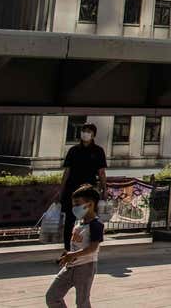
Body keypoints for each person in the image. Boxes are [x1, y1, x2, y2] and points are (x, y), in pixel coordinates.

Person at [47, 184, 104, 307]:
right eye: (74, 204)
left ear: (90, 204)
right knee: (52, 297)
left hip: (85, 268)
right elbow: (76, 243)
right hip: (70, 267)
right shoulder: (78, 222)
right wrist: (67, 254)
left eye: (78, 204)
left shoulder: (96, 225)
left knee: (82, 302)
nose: (75, 208)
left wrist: (73, 254)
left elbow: (93, 248)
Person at [59, 122, 108, 250]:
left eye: (89, 131)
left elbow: (101, 172)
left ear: (93, 135)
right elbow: (67, 172)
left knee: (90, 219)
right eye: (84, 131)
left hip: (89, 192)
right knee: (70, 220)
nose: (86, 134)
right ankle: (67, 249)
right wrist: (61, 189)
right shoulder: (73, 150)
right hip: (72, 189)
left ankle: (88, 248)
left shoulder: (98, 151)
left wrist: (105, 189)